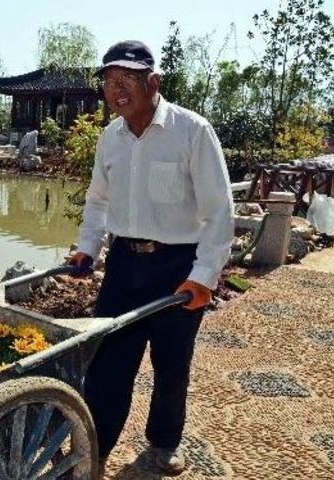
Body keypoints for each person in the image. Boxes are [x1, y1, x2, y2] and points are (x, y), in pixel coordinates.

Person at [66, 40, 234, 476]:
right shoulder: (111, 137)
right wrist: (88, 247)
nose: (116, 90)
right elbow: (98, 200)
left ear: (153, 82)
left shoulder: (191, 130)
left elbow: (219, 210)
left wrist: (204, 276)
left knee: (171, 362)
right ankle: (93, 450)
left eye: (127, 79)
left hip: (176, 265)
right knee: (107, 364)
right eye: (109, 81)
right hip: (124, 265)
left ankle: (164, 442)